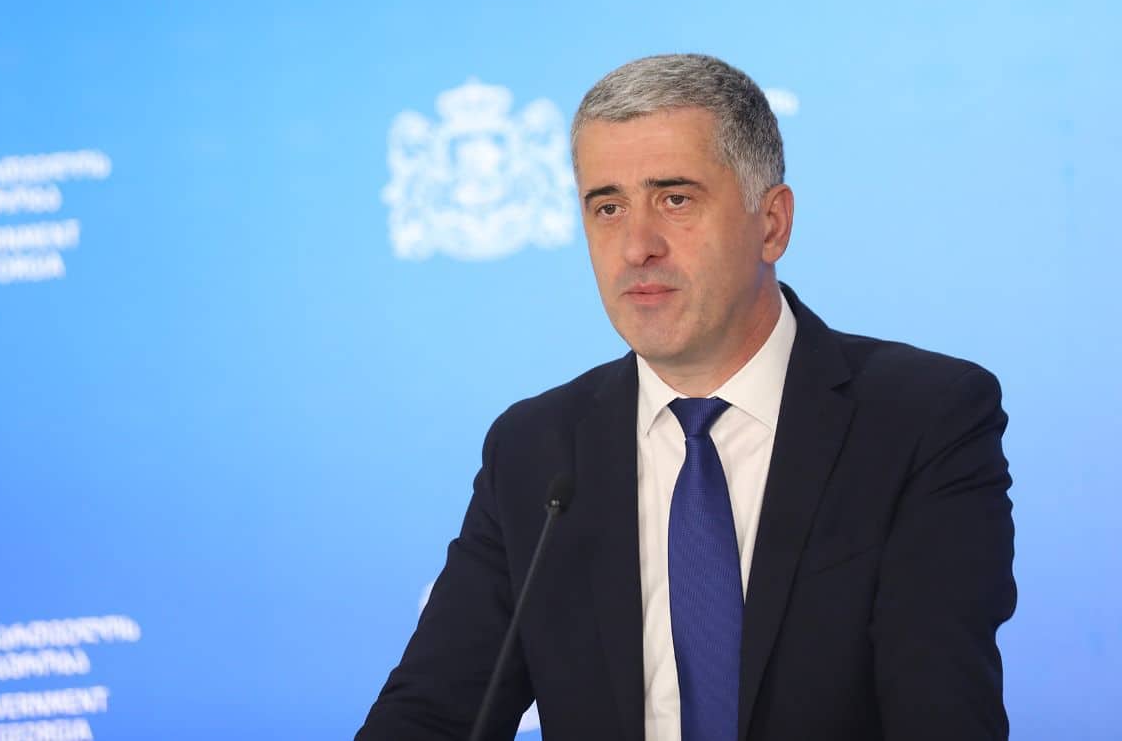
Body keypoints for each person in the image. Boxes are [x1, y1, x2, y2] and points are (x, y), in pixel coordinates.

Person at [356, 54, 1016, 741]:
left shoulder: (921, 421)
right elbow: (432, 714)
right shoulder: (537, 448)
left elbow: (941, 717)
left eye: (675, 199)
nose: (636, 246)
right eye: (608, 208)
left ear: (772, 223)